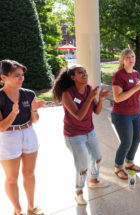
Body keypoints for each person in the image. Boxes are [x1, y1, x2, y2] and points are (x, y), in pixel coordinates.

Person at [52, 65, 110, 205]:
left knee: (97, 157)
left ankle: (94, 180)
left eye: (85, 71)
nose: (84, 74)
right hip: (74, 135)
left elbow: (96, 111)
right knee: (82, 166)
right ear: (73, 77)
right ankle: (78, 192)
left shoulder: (89, 89)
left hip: (89, 131)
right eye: (80, 72)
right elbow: (78, 116)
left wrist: (100, 99)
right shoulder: (67, 94)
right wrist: (89, 99)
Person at [0, 59, 46, 215]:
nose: (21, 79)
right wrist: (13, 113)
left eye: (22, 75)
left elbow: (35, 120)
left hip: (28, 133)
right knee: (12, 178)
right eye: (16, 76)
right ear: (3, 77)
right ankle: (17, 210)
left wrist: (33, 111)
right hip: (8, 137)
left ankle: (31, 207)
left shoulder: (28, 94)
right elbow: (1, 127)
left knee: (29, 173)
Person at [111, 48, 140, 180]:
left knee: (136, 139)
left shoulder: (135, 74)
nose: (131, 59)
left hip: (135, 113)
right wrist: (136, 87)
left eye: (133, 57)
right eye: (128, 57)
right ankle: (118, 167)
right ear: (122, 60)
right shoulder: (119, 75)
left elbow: (135, 95)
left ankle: (129, 163)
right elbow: (118, 98)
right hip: (121, 114)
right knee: (126, 142)